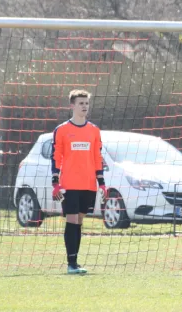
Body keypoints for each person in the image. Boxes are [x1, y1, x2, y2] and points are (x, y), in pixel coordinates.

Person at [51, 89, 106, 274]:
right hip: (69, 184)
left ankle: (75, 263)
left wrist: (102, 183)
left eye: (86, 103)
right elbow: (56, 157)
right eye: (81, 103)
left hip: (89, 184)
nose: (84, 106)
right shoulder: (62, 130)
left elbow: (97, 157)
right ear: (72, 106)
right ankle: (71, 264)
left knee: (79, 220)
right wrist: (55, 183)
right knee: (72, 219)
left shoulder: (94, 131)